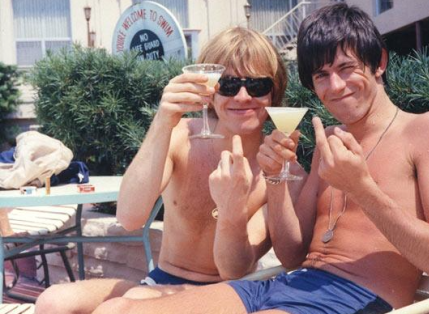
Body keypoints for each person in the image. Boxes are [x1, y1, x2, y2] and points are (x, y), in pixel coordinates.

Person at [92, 3, 429, 313]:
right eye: (321, 75)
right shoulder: (330, 143)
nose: (335, 86)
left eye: (346, 68)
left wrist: (363, 188)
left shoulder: (428, 130)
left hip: (354, 298)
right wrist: (276, 177)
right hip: (286, 285)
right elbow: (292, 255)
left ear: (380, 62)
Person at [35, 27, 305, 314]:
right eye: (227, 84)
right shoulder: (180, 137)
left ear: (274, 93)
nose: (241, 96)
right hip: (160, 280)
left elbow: (234, 269)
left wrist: (231, 208)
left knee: (117, 310)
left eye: (257, 86)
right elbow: (129, 216)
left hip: (225, 292)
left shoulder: (281, 170)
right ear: (209, 91)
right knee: (52, 302)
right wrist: (163, 120)